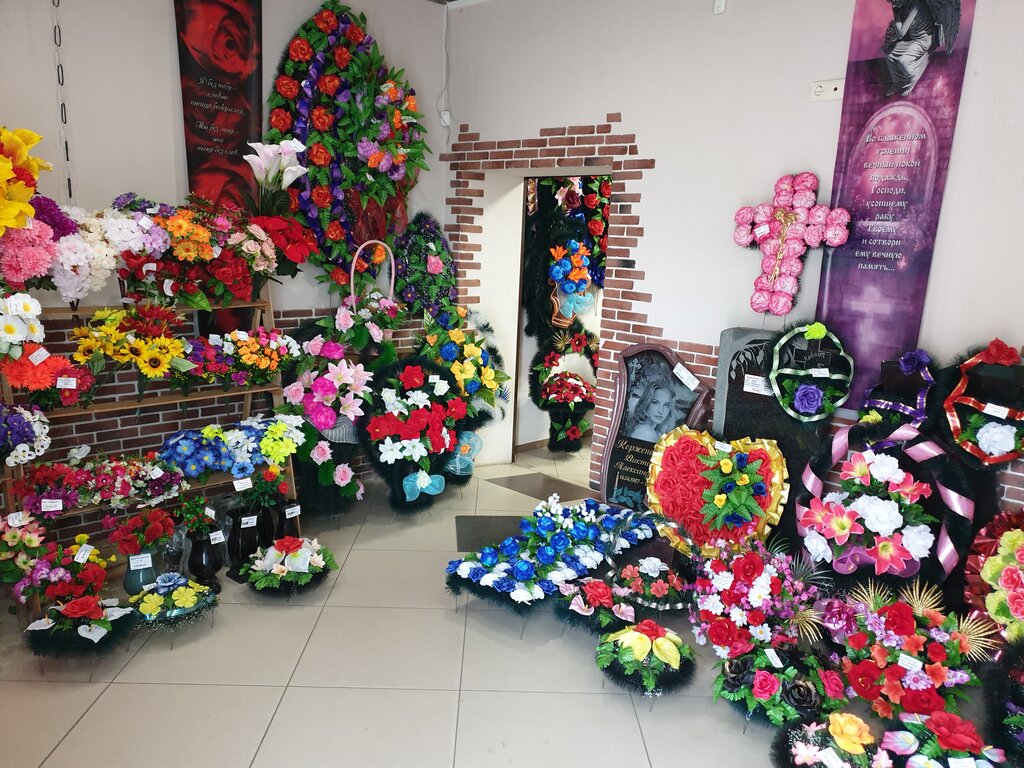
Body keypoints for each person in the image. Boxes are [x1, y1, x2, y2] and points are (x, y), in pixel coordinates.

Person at [882, 0, 942, 97]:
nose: (894, 3)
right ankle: (898, 84)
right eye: (892, 1)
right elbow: (900, 31)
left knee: (903, 61)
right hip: (915, 40)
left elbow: (901, 33)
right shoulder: (901, 6)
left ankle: (910, 83)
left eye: (895, 0)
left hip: (924, 41)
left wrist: (895, 12)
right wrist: (896, 10)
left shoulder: (916, 5)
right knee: (889, 54)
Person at [626, 375, 675, 443]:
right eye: (655, 402)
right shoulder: (647, 433)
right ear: (646, 403)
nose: (661, 411)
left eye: (666, 405)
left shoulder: (646, 429)